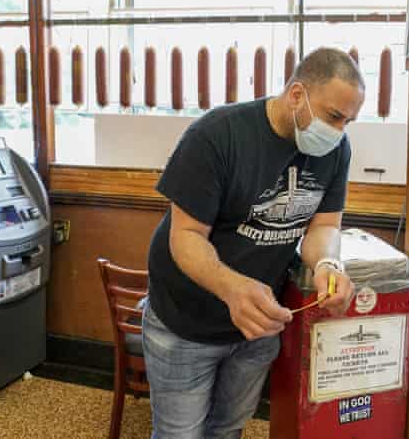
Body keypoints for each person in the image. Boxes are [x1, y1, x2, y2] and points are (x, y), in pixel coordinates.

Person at [141, 47, 363, 439]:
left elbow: (324, 225)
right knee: (180, 433)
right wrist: (233, 288)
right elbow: (186, 236)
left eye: (349, 121)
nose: (339, 130)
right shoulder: (217, 134)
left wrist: (328, 264)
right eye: (333, 116)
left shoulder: (335, 150)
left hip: (258, 324)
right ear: (297, 94)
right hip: (185, 319)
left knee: (228, 429)